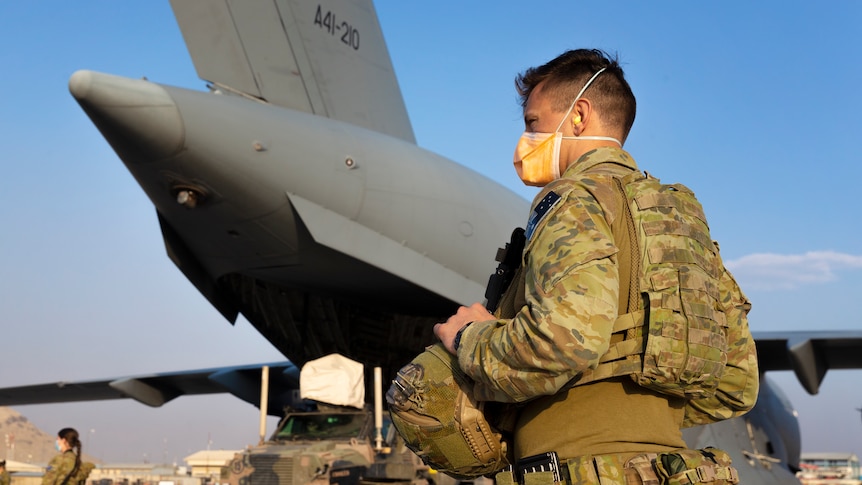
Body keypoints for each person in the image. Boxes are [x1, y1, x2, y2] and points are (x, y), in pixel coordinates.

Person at [432, 49, 758, 484]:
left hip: (577, 470)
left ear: (579, 116)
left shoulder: (573, 200)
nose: (526, 139)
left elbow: (565, 341)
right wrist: (641, 420)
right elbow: (736, 382)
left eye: (533, 122)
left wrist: (469, 339)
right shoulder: (682, 219)